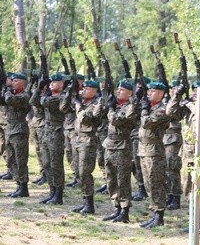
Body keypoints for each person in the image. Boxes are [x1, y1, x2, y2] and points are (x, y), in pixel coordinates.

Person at [167, 81, 200, 234]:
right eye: (194, 91)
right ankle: (194, 220)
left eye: (199, 91)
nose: (196, 93)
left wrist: (189, 104)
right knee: (189, 187)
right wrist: (177, 95)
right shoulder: (188, 109)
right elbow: (170, 111)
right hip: (188, 152)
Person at [62, 79, 104, 214]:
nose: (83, 90)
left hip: (88, 140)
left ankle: (89, 204)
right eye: (83, 88)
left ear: (94, 91)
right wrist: (69, 94)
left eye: (87, 89)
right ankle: (85, 201)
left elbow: (85, 118)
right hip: (76, 139)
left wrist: (78, 105)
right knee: (78, 172)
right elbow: (63, 108)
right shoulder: (82, 102)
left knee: (85, 172)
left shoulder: (97, 104)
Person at [102, 79, 139, 223]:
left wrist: (110, 109)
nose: (118, 91)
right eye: (118, 89)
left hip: (122, 146)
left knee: (122, 179)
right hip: (110, 144)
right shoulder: (117, 105)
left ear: (130, 93)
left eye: (122, 90)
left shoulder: (130, 107)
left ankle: (124, 210)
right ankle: (116, 207)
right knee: (111, 178)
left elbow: (116, 120)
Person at [30, 74, 68, 205]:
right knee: (46, 163)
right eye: (51, 82)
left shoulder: (62, 97)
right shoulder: (48, 95)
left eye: (55, 82)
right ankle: (52, 191)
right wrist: (39, 88)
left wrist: (44, 93)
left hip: (57, 132)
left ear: (62, 84)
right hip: (46, 132)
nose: (51, 83)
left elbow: (45, 102)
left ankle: (58, 194)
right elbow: (33, 102)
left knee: (56, 164)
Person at [138, 82, 170, 228]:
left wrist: (144, 109)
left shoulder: (162, 110)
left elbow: (147, 123)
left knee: (156, 182)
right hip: (144, 149)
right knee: (148, 183)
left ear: (161, 93)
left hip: (154, 151)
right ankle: (154, 213)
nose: (149, 93)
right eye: (149, 90)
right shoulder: (151, 108)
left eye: (153, 91)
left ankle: (159, 216)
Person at [1, 73, 31, 197]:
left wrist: (7, 90)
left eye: (15, 81)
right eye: (12, 80)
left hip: (19, 130)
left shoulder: (24, 96)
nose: (12, 82)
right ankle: (18, 183)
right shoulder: (11, 93)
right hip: (10, 129)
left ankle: (23, 186)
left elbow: (9, 100)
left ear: (23, 83)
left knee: (20, 160)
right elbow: (3, 100)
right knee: (10, 159)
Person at [163, 80, 183, 210]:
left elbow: (170, 112)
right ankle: (169, 194)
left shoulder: (178, 103)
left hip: (173, 137)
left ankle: (176, 197)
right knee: (165, 168)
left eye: (175, 89)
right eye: (171, 88)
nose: (172, 91)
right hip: (164, 136)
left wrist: (177, 96)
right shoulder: (168, 100)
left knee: (173, 168)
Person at [63, 74, 84, 188]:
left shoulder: (82, 96)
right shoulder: (70, 94)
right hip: (67, 127)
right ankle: (76, 176)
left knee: (76, 156)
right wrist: (68, 93)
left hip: (76, 129)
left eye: (78, 82)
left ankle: (80, 178)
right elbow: (63, 108)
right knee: (69, 154)